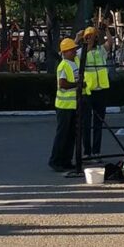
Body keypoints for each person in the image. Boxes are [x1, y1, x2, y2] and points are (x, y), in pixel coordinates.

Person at [77, 23, 114, 159]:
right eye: (87, 37)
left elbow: (110, 43)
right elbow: (67, 56)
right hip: (88, 92)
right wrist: (77, 38)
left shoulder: (100, 51)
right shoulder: (81, 53)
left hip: (101, 91)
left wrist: (107, 30)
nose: (89, 39)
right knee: (86, 123)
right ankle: (87, 152)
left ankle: (96, 151)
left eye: (91, 37)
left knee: (98, 123)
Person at [49, 38, 82, 171]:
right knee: (62, 135)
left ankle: (66, 161)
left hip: (72, 105)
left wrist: (79, 38)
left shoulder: (74, 62)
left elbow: (82, 51)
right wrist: (77, 85)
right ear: (65, 52)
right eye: (72, 49)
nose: (75, 51)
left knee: (71, 136)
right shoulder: (63, 65)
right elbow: (62, 84)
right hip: (64, 106)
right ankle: (56, 161)